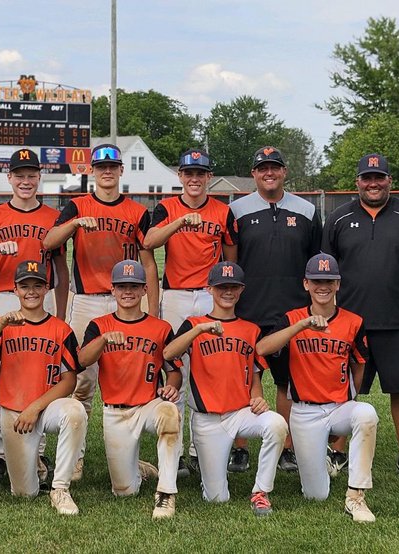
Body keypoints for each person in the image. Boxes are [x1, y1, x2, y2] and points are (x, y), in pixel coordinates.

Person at [42, 142, 157, 478]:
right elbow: (49, 242)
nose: (107, 171)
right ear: (92, 171)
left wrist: (153, 310)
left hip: (127, 301)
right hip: (88, 302)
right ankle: (74, 457)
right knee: (81, 381)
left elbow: (149, 263)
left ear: (121, 170)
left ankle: (129, 458)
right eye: (101, 167)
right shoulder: (77, 206)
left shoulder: (137, 211)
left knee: (130, 382)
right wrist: (75, 225)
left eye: (112, 166)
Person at [321, 153, 399, 479]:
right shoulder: (339, 218)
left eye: (379, 177)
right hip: (350, 321)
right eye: (367, 178)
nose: (373, 183)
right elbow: (327, 266)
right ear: (357, 182)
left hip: (397, 319)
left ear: (389, 180)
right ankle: (338, 451)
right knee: (346, 388)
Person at [0, 148, 69, 485]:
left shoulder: (53, 217)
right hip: (2, 297)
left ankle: (38, 449)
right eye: (20, 175)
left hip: (44, 295)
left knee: (42, 375)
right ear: (9, 178)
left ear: (39, 177)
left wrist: (61, 313)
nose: (26, 181)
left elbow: (61, 269)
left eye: (31, 175)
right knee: (0, 377)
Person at [256, 253, 378, 523]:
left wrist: (350, 403)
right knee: (316, 495)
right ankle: (320, 458)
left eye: (329, 281)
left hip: (339, 407)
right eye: (316, 281)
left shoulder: (354, 321)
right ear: (306, 284)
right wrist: (302, 325)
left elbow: (359, 367)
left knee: (366, 414)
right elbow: (262, 348)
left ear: (338, 284)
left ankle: (356, 496)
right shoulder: (292, 318)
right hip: (304, 412)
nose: (323, 286)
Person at [162, 261, 288, 517]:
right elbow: (168, 353)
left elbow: (255, 374)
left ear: (241, 290)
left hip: (240, 413)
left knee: (276, 424)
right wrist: (199, 330)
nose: (227, 292)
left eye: (233, 286)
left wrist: (258, 398)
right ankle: (210, 480)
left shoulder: (251, 329)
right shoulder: (193, 324)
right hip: (207, 420)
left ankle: (261, 492)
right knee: (216, 498)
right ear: (209, 289)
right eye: (221, 287)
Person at [142, 147, 236, 475]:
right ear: (180, 176)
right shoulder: (166, 207)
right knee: (175, 371)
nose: (194, 179)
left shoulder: (223, 211)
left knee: (208, 372)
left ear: (209, 177)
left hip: (209, 297)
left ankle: (201, 449)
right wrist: (180, 221)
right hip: (176, 296)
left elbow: (231, 260)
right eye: (189, 173)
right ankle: (176, 451)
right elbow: (150, 241)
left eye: (200, 173)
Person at [228, 146, 321, 473]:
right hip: (249, 309)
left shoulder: (307, 210)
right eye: (262, 168)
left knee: (287, 383)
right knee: (243, 379)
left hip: (291, 312)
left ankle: (286, 447)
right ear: (254, 173)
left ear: (284, 172)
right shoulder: (237, 209)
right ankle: (239, 447)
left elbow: (315, 262)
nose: (269, 172)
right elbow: (230, 262)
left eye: (275, 167)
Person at [0, 261, 88, 515]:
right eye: (25, 286)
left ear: (46, 288)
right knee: (24, 493)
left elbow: (69, 381)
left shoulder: (61, 329)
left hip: (46, 409)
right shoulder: (4, 325)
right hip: (14, 413)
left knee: (75, 412)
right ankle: (37, 466)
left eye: (37, 285)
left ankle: (60, 488)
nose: (31, 291)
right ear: (15, 290)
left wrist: (35, 407)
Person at [78, 260, 180, 519]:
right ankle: (139, 468)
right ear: (112, 290)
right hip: (116, 412)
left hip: (149, 405)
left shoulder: (161, 328)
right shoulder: (98, 325)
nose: (128, 292)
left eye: (134, 286)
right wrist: (103, 340)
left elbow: (174, 371)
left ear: (145, 289)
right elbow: (83, 360)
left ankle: (166, 493)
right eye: (122, 286)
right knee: (124, 491)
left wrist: (171, 386)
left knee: (170, 413)